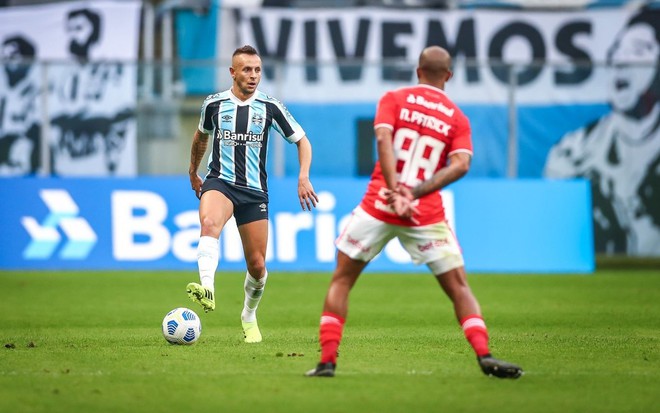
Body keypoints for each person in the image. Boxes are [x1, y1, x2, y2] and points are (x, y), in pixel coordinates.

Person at [305, 46, 523, 379]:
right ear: (448, 76)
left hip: (379, 204)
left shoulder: (393, 98)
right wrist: (415, 193)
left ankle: (327, 362)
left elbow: (382, 141)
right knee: (459, 288)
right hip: (425, 212)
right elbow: (462, 164)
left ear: (418, 70)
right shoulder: (457, 118)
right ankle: (484, 355)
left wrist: (394, 191)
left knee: (343, 280)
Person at [186, 45, 319, 343]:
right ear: (232, 73)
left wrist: (303, 176)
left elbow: (302, 141)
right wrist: (194, 171)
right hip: (219, 182)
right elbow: (200, 136)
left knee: (257, 266)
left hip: (254, 191)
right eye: (247, 70)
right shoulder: (214, 104)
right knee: (209, 225)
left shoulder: (270, 107)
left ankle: (248, 314)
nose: (254, 75)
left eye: (257, 70)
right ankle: (207, 287)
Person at [544, 8, 660, 256]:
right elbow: (550, 231)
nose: (622, 61)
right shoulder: (573, 152)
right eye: (618, 51)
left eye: (638, 52)